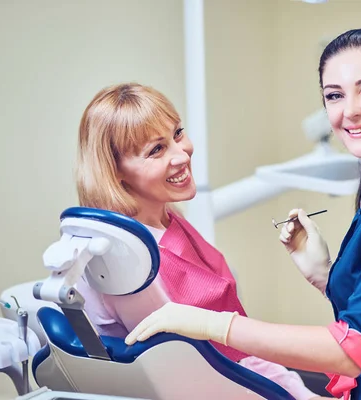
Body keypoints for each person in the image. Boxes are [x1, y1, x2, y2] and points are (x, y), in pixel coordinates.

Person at [124, 28, 361, 400]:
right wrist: (326, 276)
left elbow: (352, 348)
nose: (351, 111)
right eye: (335, 96)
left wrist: (213, 324)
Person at [73, 82, 330, 400]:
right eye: (156, 150)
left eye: (177, 133)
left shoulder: (168, 221)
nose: (182, 154)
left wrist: (299, 391)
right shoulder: (124, 260)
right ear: (115, 171)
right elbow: (191, 375)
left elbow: (234, 352)